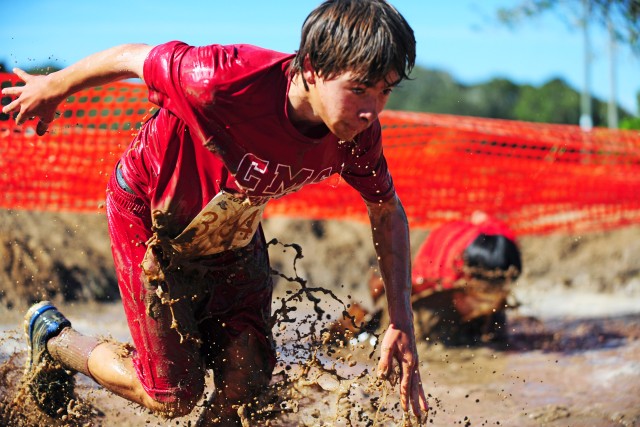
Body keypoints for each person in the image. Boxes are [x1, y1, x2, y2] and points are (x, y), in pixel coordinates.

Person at [2, 0, 428, 424]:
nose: (372, 109)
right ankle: (56, 339)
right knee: (172, 395)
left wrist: (401, 319)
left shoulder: (358, 137)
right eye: (359, 89)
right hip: (150, 217)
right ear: (313, 68)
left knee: (250, 384)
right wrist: (53, 86)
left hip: (230, 231)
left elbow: (387, 209)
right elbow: (132, 57)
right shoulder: (222, 79)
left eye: (385, 90)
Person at [335, 212, 522, 346]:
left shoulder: (501, 256)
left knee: (494, 329)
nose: (492, 296)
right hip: (428, 292)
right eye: (484, 291)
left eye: (499, 287)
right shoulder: (435, 286)